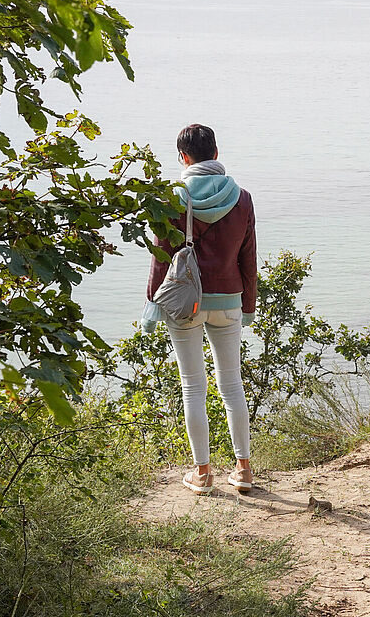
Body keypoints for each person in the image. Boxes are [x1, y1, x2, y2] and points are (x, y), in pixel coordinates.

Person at [142, 124, 257, 493]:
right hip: (228, 301)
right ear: (217, 153)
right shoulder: (242, 198)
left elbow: (162, 257)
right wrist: (248, 305)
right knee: (232, 384)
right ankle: (243, 470)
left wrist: (151, 305)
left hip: (185, 303)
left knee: (194, 387)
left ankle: (203, 473)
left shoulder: (172, 199)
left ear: (183, 157)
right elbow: (248, 258)